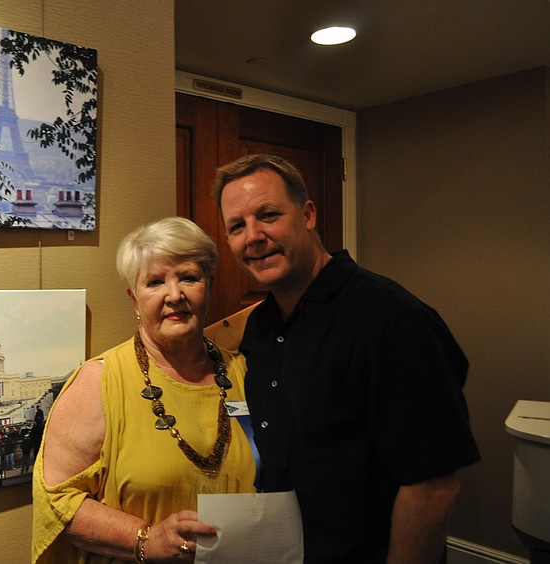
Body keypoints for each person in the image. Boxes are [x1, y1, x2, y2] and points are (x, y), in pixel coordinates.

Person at [212, 153, 481, 563]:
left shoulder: (389, 319)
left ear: (307, 214)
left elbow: (432, 484)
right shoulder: (262, 328)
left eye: (268, 215)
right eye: (237, 226)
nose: (253, 236)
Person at [32, 217, 256, 563]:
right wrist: (146, 539)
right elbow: (55, 502)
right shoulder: (99, 382)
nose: (175, 295)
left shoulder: (246, 372)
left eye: (189, 277)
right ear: (134, 299)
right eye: (155, 282)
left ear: (208, 287)